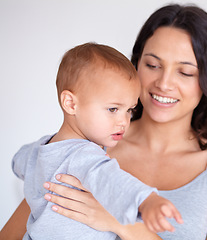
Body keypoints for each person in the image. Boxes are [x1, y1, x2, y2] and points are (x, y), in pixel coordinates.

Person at [0, 3, 207, 240]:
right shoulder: (88, 143)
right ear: (136, 66)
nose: (164, 83)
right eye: (153, 65)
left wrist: (120, 223)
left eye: (185, 71)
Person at [8, 42, 182, 240]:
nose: (123, 121)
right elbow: (113, 183)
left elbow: (17, 162)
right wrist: (147, 201)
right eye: (112, 109)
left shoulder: (37, 150)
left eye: (129, 110)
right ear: (71, 103)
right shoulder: (85, 155)